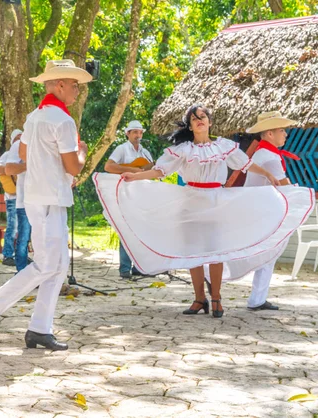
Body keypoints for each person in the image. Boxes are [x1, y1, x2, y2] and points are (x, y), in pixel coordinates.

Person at [94, 104, 315, 318]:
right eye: (194, 118)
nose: (199, 120)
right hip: (190, 200)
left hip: (216, 200)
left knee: (215, 251)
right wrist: (135, 176)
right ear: (190, 126)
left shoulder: (223, 146)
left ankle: (216, 297)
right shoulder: (183, 150)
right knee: (194, 253)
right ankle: (200, 298)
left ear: (209, 122)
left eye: (202, 117)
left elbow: (244, 164)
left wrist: (267, 174)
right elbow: (160, 171)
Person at [0, 59, 91, 351]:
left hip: (38, 195)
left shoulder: (33, 118)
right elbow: (74, 167)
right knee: (48, 264)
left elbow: (24, 156)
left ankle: (39, 328)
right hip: (50, 197)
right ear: (60, 84)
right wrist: (83, 154)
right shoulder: (63, 121)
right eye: (74, 85)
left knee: (58, 265)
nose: (77, 91)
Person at [243, 111, 299, 311]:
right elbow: (285, 186)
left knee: (267, 252)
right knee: (268, 251)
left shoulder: (263, 153)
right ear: (268, 134)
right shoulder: (270, 157)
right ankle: (256, 299)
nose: (286, 134)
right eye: (282, 130)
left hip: (258, 209)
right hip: (261, 211)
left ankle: (257, 299)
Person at [104, 120, 154, 278]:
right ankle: (125, 268)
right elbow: (109, 166)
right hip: (125, 194)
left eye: (140, 132)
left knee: (140, 230)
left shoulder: (145, 153)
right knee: (126, 229)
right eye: (134, 132)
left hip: (142, 195)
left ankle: (139, 266)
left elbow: (151, 170)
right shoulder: (122, 149)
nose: (138, 135)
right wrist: (132, 169)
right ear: (128, 134)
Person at [5, 129, 33, 272]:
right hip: (24, 201)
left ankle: (43, 273)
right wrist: (30, 165)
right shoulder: (18, 146)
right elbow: (7, 169)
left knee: (44, 239)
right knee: (23, 238)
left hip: (46, 199)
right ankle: (21, 271)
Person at [0, 130, 21, 266]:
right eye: (17, 138)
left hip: (25, 197)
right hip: (12, 197)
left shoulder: (26, 153)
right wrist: (11, 170)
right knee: (13, 226)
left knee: (24, 227)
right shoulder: (8, 155)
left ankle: (20, 254)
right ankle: (8, 255)